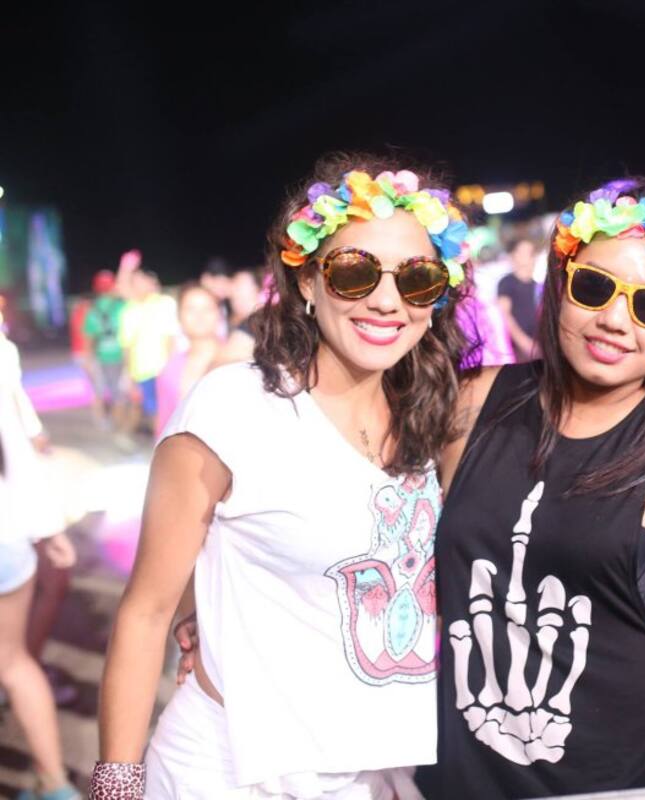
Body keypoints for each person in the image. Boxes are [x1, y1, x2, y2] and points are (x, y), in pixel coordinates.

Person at [93, 156, 472, 799]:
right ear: (307, 281)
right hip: (230, 775)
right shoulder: (234, 408)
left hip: (370, 775)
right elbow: (145, 610)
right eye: (354, 272)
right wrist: (116, 789)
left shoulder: (429, 417)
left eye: (417, 279)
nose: (386, 300)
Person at [417, 178, 645, 799]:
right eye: (595, 288)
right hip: (468, 775)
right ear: (561, 284)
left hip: (640, 772)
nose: (614, 321)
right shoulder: (470, 403)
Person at [0, 317, 79, 800]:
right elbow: (15, 443)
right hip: (6, 531)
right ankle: (54, 786)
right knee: (13, 662)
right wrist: (48, 527)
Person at [155, 283, 224, 436]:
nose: (199, 316)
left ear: (219, 314)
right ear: (179, 316)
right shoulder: (171, 366)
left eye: (207, 309)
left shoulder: (236, 359)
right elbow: (164, 421)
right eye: (190, 309)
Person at [117, 269, 178, 437]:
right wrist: (129, 374)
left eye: (141, 281)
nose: (138, 286)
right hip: (142, 371)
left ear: (151, 282)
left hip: (165, 368)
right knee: (152, 410)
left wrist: (171, 365)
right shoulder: (128, 310)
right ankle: (160, 441)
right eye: (134, 282)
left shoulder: (165, 303)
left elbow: (171, 337)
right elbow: (127, 346)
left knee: (170, 410)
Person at [82, 270, 126, 427]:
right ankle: (119, 424)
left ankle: (101, 422)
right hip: (120, 357)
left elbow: (89, 339)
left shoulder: (92, 311)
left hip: (100, 357)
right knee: (119, 393)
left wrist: (87, 361)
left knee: (99, 391)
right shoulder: (122, 306)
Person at [496, 237, 541, 361]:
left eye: (531, 253)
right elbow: (504, 315)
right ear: (513, 255)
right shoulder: (507, 282)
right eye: (523, 252)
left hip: (538, 346)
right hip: (518, 350)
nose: (528, 257)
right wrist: (524, 343)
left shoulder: (537, 285)